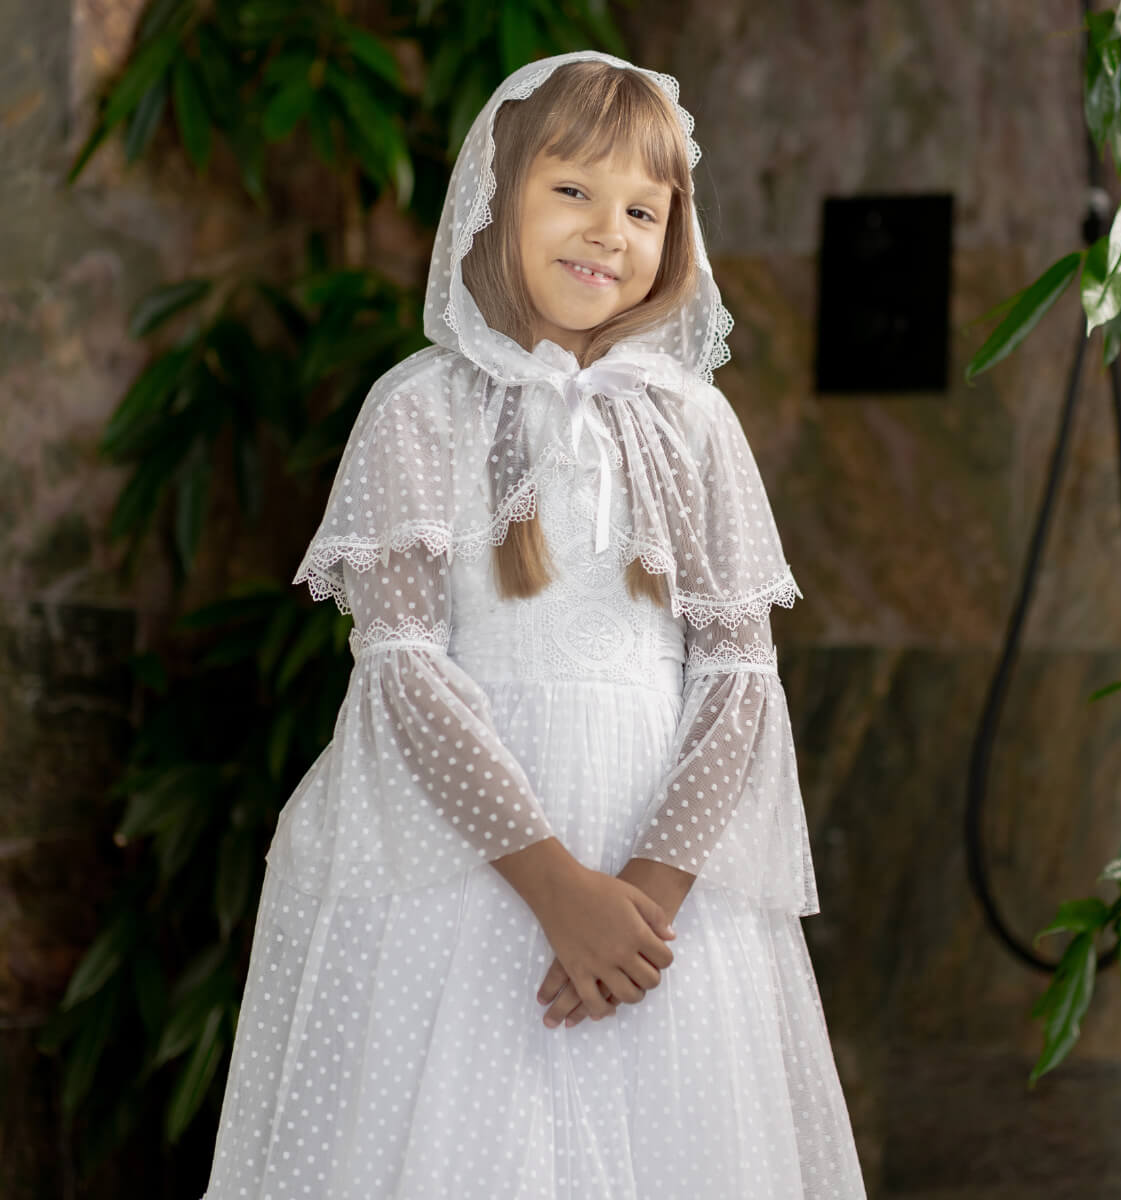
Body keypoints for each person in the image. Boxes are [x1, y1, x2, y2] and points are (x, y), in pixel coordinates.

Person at [200, 50, 868, 1199]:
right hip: (470, 859)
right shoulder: (417, 408)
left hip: (662, 883)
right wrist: (561, 892)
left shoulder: (697, 427)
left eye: (643, 210)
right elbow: (403, 671)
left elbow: (740, 679)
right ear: (492, 195)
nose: (607, 231)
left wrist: (642, 906)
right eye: (571, 191)